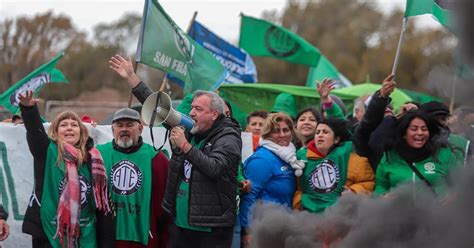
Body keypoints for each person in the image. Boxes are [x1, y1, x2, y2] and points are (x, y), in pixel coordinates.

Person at [109, 55, 242, 247]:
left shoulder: (228, 137)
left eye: (198, 109)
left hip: (209, 228)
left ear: (214, 114)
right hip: (180, 224)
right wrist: (132, 77)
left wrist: (185, 146)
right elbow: (157, 106)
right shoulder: (190, 129)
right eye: (192, 108)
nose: (192, 113)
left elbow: (215, 168)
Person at [19, 90, 114, 248]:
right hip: (49, 233)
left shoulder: (94, 159)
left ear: (81, 132)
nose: (69, 128)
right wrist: (28, 110)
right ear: (55, 132)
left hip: (87, 234)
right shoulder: (46, 151)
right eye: (63, 125)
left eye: (74, 125)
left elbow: (102, 204)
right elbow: (34, 132)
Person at [96, 108, 170, 248]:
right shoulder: (98, 155)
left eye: (129, 125)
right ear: (113, 130)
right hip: (107, 237)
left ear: (140, 129)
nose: (124, 129)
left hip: (143, 238)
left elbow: (165, 205)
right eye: (119, 125)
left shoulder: (156, 159)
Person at [240, 112, 303, 247]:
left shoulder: (289, 155)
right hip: (262, 229)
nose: (282, 135)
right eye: (276, 131)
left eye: (286, 130)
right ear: (267, 134)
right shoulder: (262, 159)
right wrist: (247, 231)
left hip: (282, 227)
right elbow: (248, 195)